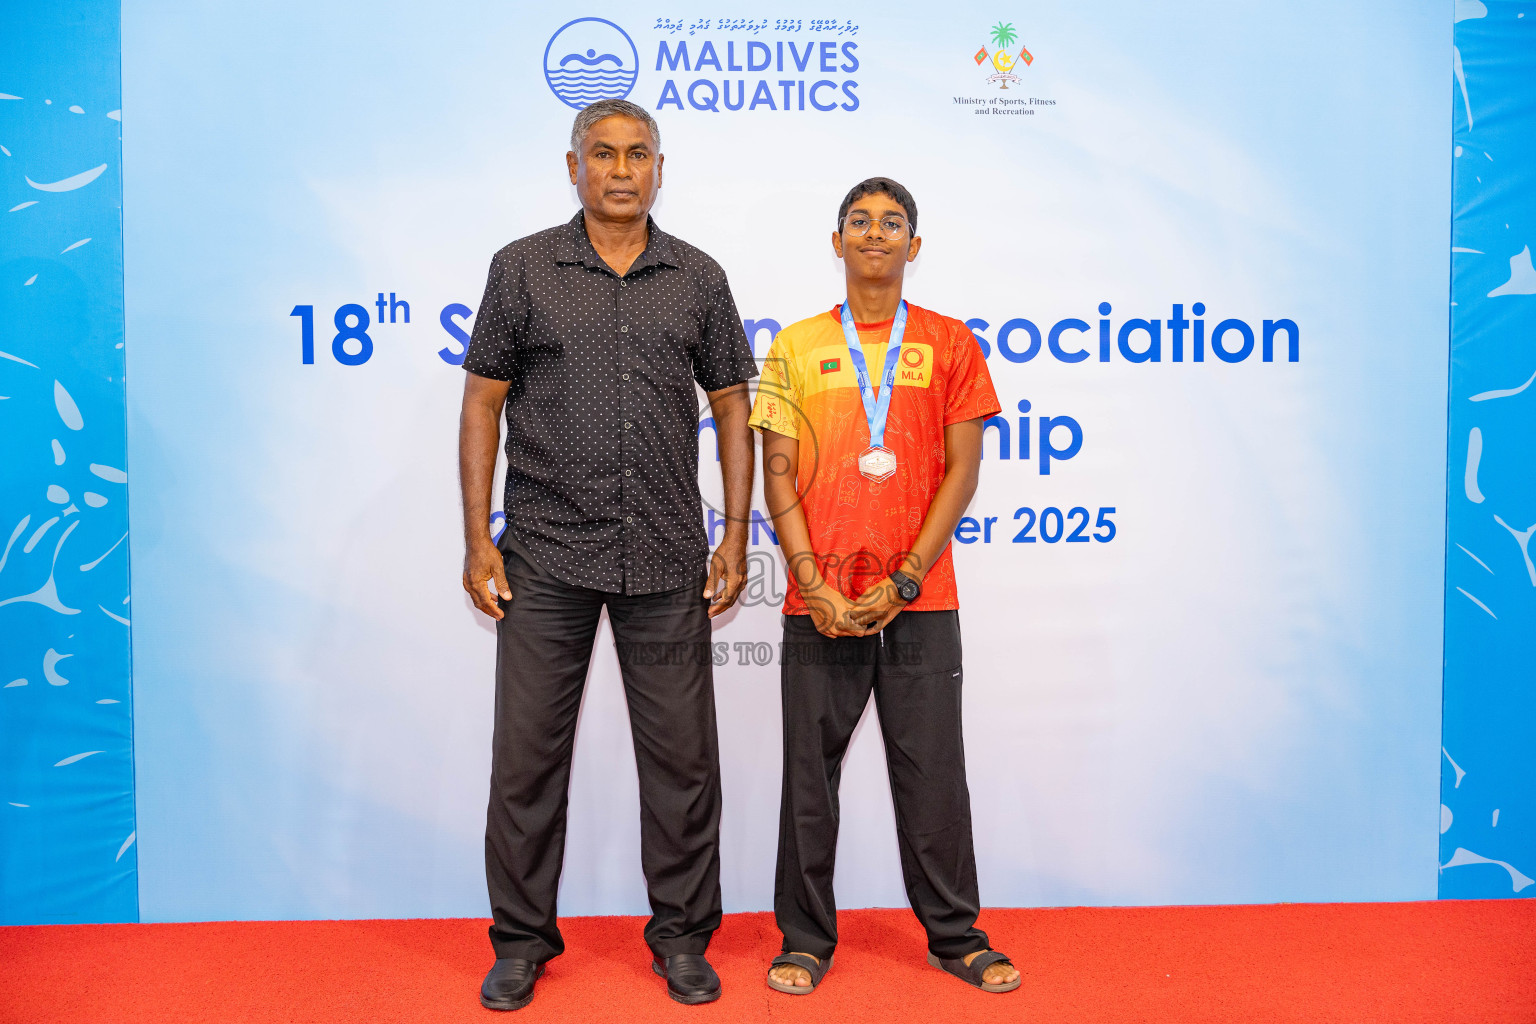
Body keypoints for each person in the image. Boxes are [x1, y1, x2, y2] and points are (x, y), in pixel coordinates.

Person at [457, 98, 757, 1011]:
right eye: (603, 154)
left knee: (682, 765)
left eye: (638, 155)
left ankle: (680, 940)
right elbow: (482, 405)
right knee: (526, 766)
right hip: (544, 556)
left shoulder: (697, 276)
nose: (621, 170)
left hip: (666, 558)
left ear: (660, 168)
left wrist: (736, 533)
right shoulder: (522, 269)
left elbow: (736, 409)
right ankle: (520, 943)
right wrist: (478, 539)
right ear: (573, 165)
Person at [749, 177, 1021, 996]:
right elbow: (778, 474)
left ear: (915, 244)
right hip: (819, 602)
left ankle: (956, 937)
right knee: (809, 778)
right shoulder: (794, 346)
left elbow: (964, 471)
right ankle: (803, 941)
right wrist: (810, 582)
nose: (876, 233)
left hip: (920, 600)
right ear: (836, 242)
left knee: (933, 772)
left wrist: (903, 580)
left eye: (892, 222)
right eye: (859, 222)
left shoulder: (950, 343)